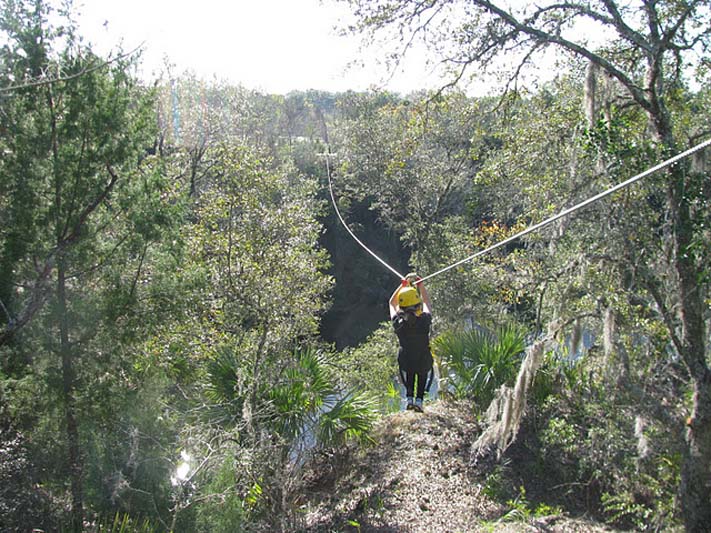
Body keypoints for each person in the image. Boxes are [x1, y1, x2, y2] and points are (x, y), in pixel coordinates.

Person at [389, 274, 433, 413]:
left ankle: (409, 399)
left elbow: (392, 303)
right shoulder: (424, 320)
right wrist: (421, 285)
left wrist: (402, 285)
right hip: (423, 357)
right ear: (418, 305)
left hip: (406, 358)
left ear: (402, 306)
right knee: (422, 373)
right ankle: (419, 401)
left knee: (410, 373)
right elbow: (427, 302)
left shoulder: (398, 323)